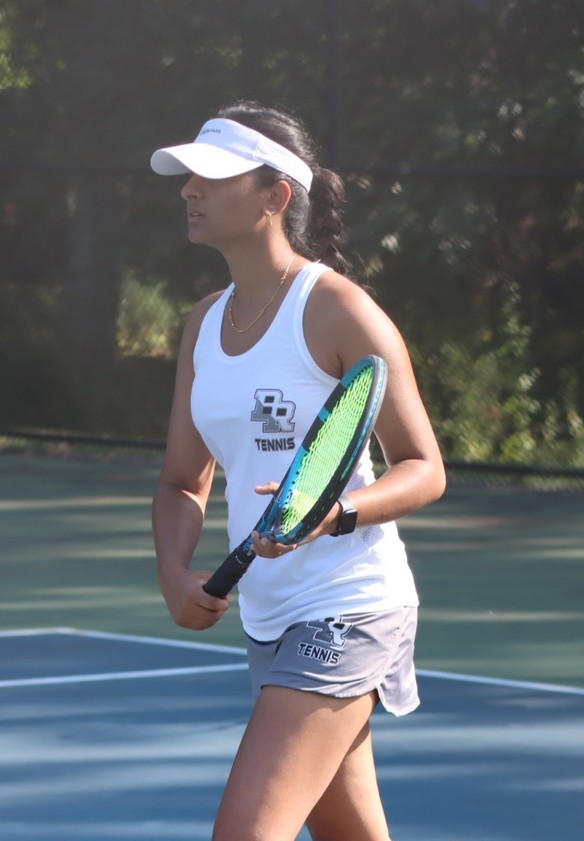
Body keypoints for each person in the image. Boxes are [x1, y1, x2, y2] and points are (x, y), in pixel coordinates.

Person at [150, 101, 446, 841]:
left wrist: (336, 513)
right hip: (268, 613)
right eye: (189, 174)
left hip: (348, 605)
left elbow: (423, 466)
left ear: (276, 195)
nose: (190, 188)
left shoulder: (340, 310)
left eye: (213, 177)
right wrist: (174, 572)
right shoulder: (203, 323)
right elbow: (183, 479)